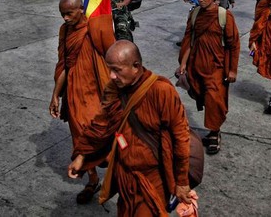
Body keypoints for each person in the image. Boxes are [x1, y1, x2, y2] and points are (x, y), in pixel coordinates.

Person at [68, 40, 194, 215]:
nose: (111, 76)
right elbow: (100, 124)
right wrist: (82, 156)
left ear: (136, 66)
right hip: (125, 175)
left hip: (152, 177)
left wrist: (181, 182)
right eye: (109, 69)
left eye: (116, 70)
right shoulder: (114, 89)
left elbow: (181, 137)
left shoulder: (161, 91)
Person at [49, 0, 115, 204]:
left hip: (96, 93)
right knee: (80, 140)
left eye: (69, 14)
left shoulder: (93, 29)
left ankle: (118, 176)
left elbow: (111, 53)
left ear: (80, 10)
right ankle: (92, 180)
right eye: (62, 15)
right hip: (75, 95)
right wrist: (55, 95)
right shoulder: (65, 31)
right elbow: (65, 64)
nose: (65, 18)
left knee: (104, 136)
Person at [177, 0, 240, 155]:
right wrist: (183, 63)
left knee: (215, 99)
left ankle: (214, 133)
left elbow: (233, 45)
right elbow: (189, 40)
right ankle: (214, 129)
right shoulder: (195, 14)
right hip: (197, 64)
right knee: (204, 97)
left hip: (217, 67)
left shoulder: (224, 16)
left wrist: (232, 70)